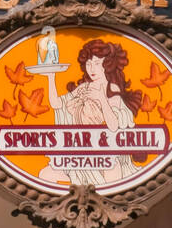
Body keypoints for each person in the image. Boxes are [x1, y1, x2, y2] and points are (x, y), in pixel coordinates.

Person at [42, 38, 142, 187]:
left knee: (113, 179)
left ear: (107, 64)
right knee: (45, 174)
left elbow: (114, 126)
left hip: (106, 157)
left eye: (96, 63)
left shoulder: (112, 89)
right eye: (88, 64)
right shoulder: (84, 87)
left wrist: (102, 99)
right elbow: (57, 104)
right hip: (79, 156)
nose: (92, 69)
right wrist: (51, 77)